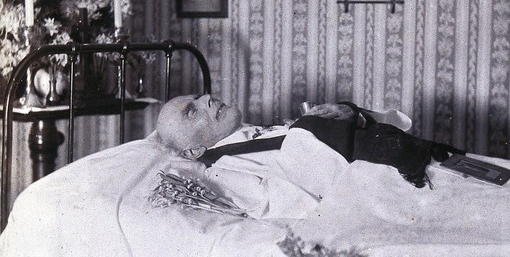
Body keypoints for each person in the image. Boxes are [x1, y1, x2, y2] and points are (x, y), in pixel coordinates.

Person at [154, 93, 411, 160]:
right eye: (192, 111)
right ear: (193, 151)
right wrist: (309, 130)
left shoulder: (250, 135)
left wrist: (353, 114)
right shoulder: (231, 166)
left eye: (197, 96)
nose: (206, 98)